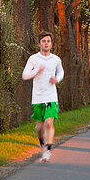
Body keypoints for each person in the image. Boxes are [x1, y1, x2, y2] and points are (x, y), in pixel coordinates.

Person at [22, 31, 65, 162]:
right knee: (40, 127)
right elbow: (25, 75)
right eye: (43, 41)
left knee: (49, 122)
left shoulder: (56, 59)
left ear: (51, 44)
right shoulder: (34, 59)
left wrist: (57, 79)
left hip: (51, 97)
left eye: (48, 41)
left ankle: (47, 151)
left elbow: (61, 72)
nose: (46, 43)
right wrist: (36, 70)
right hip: (37, 98)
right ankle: (42, 142)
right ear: (39, 44)